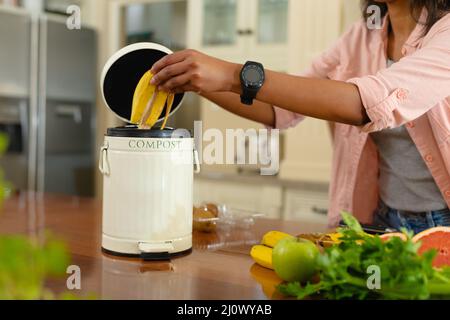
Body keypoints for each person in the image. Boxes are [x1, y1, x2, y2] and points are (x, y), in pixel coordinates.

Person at [150, 0, 450, 234]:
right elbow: (279, 108)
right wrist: (193, 79)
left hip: (442, 222)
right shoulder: (362, 35)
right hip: (380, 217)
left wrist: (232, 74)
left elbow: (365, 102)